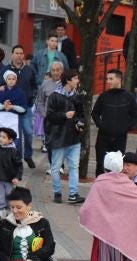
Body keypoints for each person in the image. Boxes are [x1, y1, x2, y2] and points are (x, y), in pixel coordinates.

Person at [45, 70, 85, 204]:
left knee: (74, 166)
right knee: (56, 167)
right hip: (58, 138)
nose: (77, 81)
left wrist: (79, 124)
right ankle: (57, 192)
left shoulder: (77, 97)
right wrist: (64, 115)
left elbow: (81, 115)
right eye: (75, 78)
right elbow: (49, 116)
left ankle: (73, 194)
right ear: (68, 80)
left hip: (74, 138)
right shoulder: (54, 96)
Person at [92, 69, 137, 176]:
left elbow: (135, 115)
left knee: (117, 166)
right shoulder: (103, 96)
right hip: (103, 137)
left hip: (120, 138)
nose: (108, 81)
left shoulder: (128, 96)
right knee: (100, 165)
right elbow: (95, 113)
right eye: (107, 79)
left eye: (111, 79)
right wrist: (102, 126)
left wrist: (126, 128)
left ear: (119, 79)